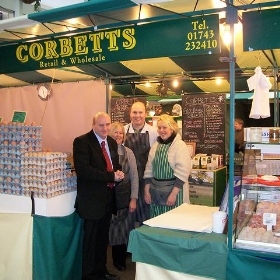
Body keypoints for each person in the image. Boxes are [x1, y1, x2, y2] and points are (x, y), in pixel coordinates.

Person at [73, 112, 124, 280]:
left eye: (108, 124)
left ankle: (101, 271)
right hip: (91, 202)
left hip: (108, 199)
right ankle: (88, 275)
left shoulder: (111, 142)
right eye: (101, 125)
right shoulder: (82, 142)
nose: (105, 128)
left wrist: (118, 173)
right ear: (94, 124)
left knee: (103, 240)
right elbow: (84, 170)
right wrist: (111, 176)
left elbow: (114, 165)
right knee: (90, 242)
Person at [143, 114, 192, 218]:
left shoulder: (180, 145)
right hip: (156, 193)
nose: (161, 130)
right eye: (159, 127)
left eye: (164, 127)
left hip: (174, 193)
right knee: (157, 221)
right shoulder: (156, 145)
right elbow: (149, 170)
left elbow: (183, 173)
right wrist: (147, 192)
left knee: (174, 222)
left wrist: (173, 194)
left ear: (172, 128)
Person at [108, 122, 139, 272]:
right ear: (109, 133)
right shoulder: (104, 152)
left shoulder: (128, 152)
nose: (118, 135)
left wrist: (134, 198)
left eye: (121, 133)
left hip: (125, 196)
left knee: (125, 228)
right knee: (113, 229)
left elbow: (134, 177)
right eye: (116, 132)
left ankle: (122, 259)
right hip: (109, 197)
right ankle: (115, 260)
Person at [124, 101, 158, 223]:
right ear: (130, 114)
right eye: (134, 112)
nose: (137, 115)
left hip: (146, 179)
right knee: (129, 213)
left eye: (140, 112)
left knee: (146, 213)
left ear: (145, 114)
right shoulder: (123, 130)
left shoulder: (154, 132)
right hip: (128, 179)